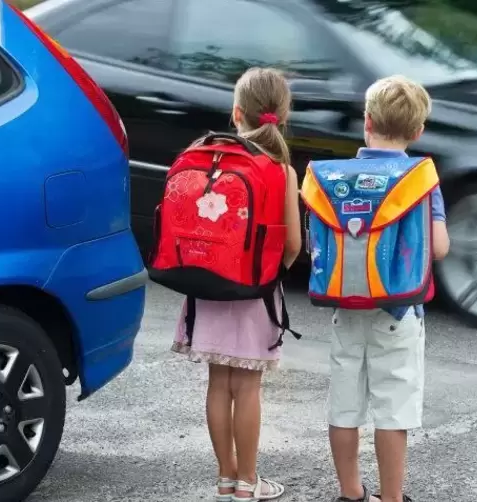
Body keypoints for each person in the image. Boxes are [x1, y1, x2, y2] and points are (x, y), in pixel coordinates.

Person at [170, 67, 302, 501]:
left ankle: (225, 479)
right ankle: (249, 482)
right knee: (247, 386)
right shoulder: (280, 169)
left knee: (217, 384)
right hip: (255, 292)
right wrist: (270, 271)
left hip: (206, 284)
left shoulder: (204, 153)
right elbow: (293, 245)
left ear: (236, 112)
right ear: (281, 116)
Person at [327, 76, 450, 502]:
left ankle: (350, 493)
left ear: (366, 121)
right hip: (399, 312)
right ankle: (392, 497)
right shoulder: (420, 178)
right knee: (392, 411)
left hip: (346, 303)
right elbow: (437, 248)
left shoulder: (336, 178)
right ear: (418, 132)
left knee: (344, 407)